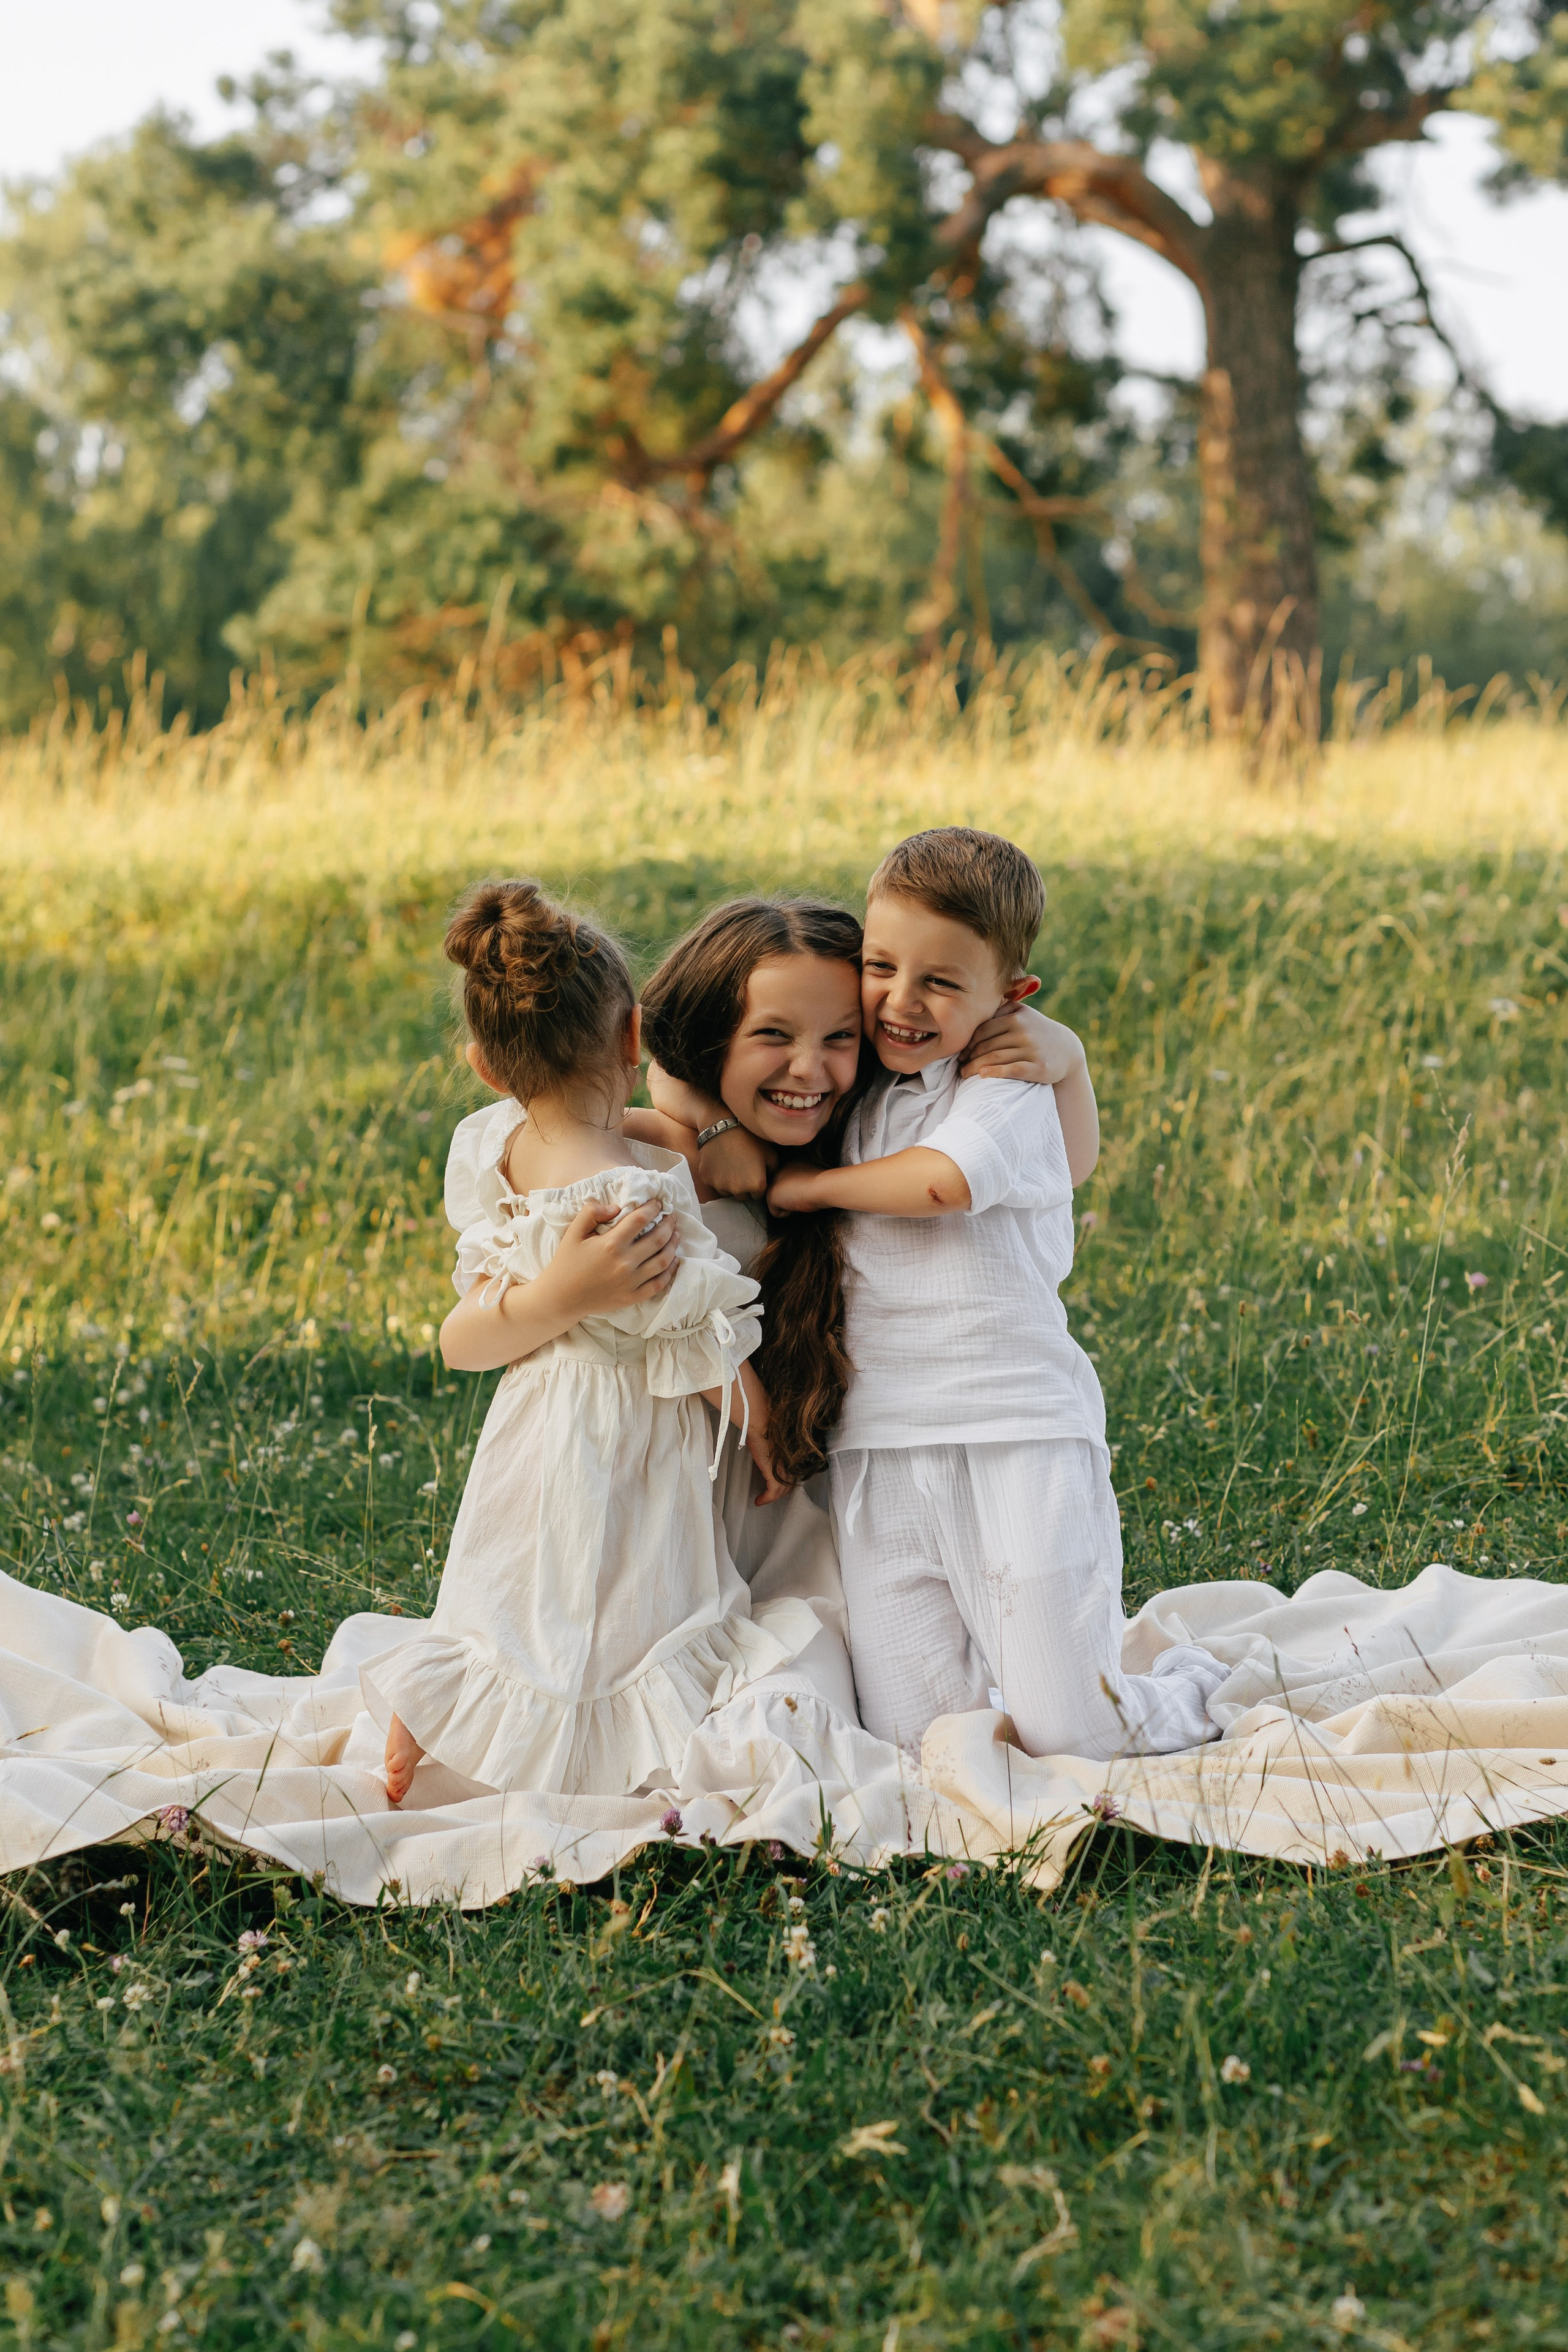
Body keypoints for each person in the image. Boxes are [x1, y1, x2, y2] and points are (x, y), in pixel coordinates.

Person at [763, 826, 1228, 1762]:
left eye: (940, 982)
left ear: (1010, 999)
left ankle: (1187, 1693)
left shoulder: (999, 1080)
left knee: (1070, 1732)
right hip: (881, 1444)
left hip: (1013, 1429)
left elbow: (944, 1184)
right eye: (882, 966)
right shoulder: (854, 1091)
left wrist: (805, 1191)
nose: (901, 1000)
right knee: (918, 1737)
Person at [372, 879, 812, 1806]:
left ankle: (439, 1706)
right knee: (621, 1596)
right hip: (627, 1424)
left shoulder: (497, 1145)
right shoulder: (638, 1201)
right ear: (632, 1038)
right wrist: (758, 1417)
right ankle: (611, 1753)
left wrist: (671, 1133)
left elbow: (470, 1324)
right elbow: (696, 1334)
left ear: (488, 1068)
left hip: (535, 1416)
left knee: (516, 1581)